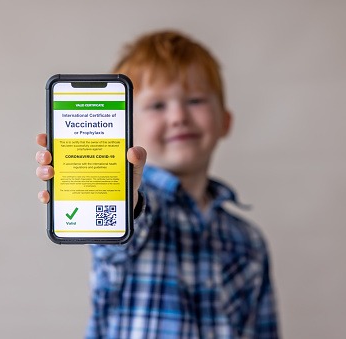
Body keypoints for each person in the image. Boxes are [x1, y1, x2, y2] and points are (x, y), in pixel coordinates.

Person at [36, 30, 279, 339]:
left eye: (194, 100)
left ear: (225, 121)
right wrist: (124, 199)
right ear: (127, 129)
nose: (178, 116)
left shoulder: (249, 241)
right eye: (157, 106)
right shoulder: (135, 207)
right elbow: (119, 241)